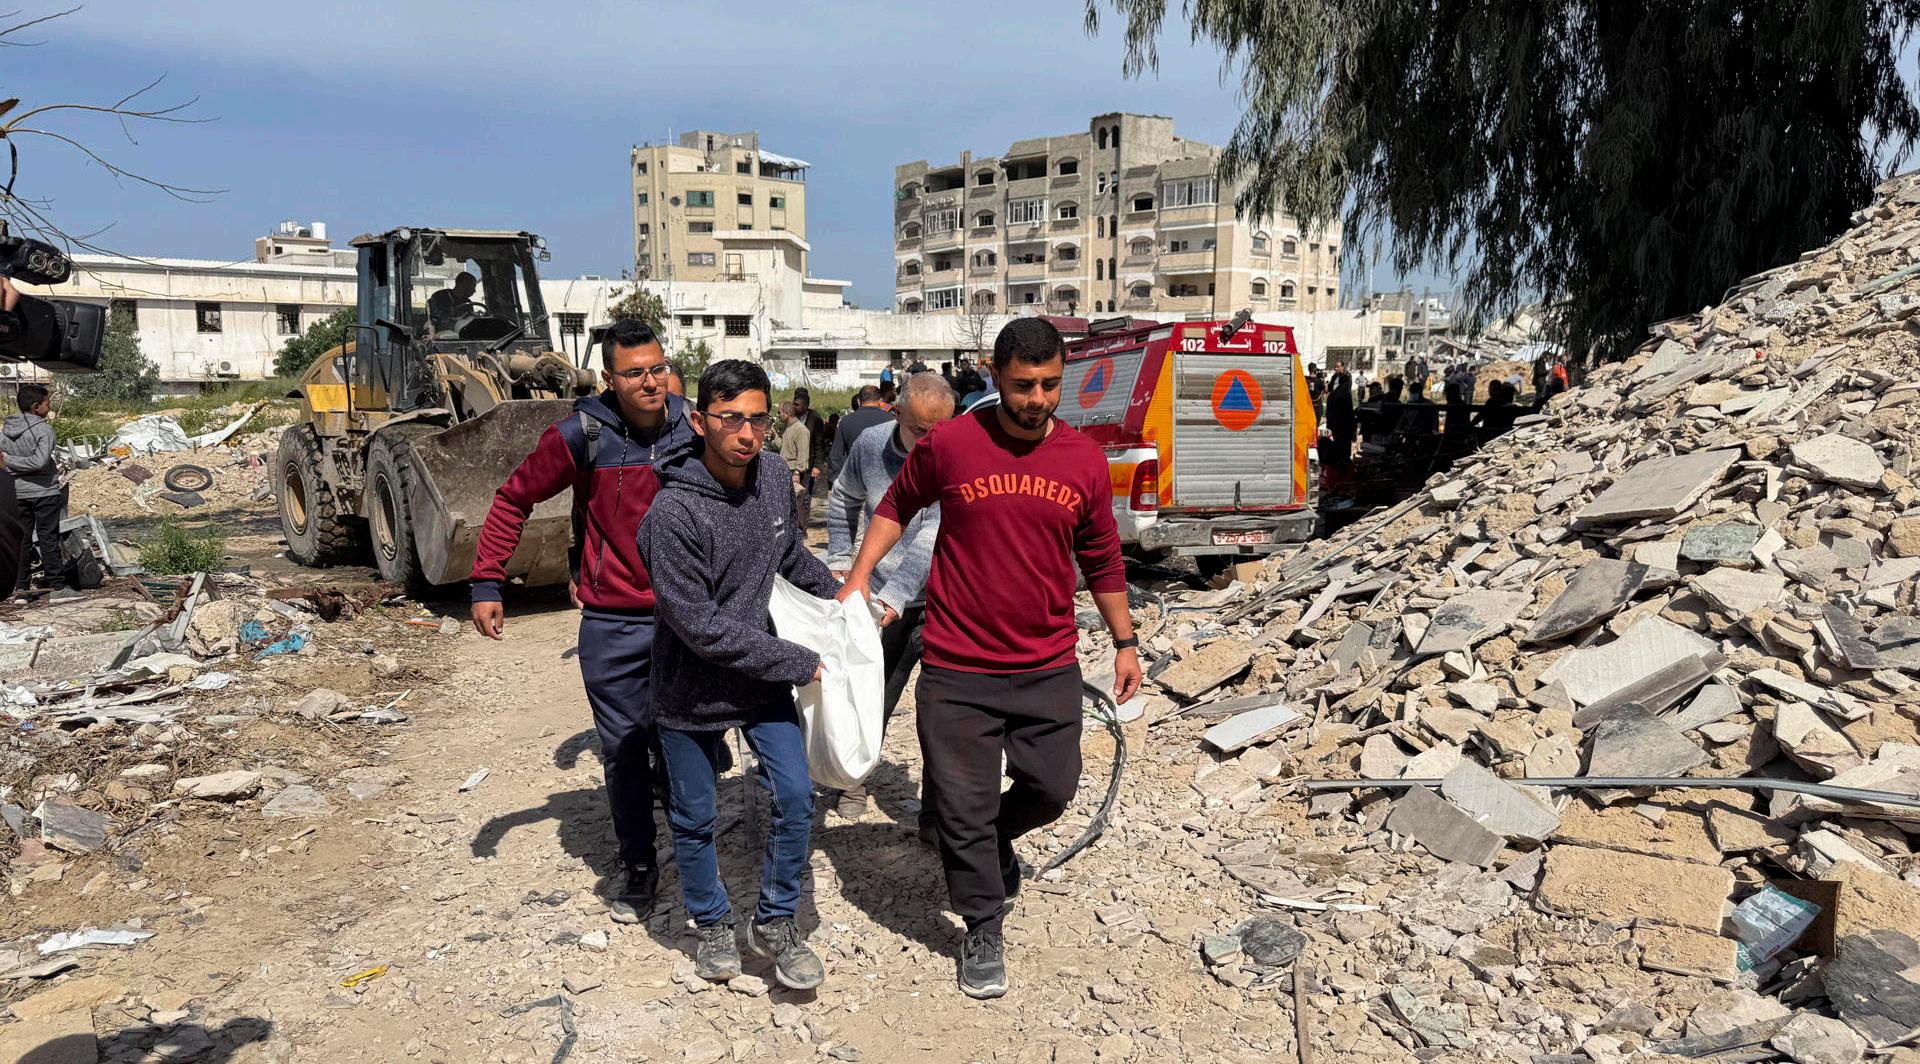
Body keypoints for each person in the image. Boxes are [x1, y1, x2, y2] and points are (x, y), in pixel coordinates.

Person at [837, 318, 1143, 1000]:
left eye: (1050, 385)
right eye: (1023, 385)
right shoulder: (951, 444)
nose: (1037, 400)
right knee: (962, 806)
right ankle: (982, 923)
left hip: (1045, 662)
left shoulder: (1083, 460)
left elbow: (1101, 558)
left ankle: (988, 838)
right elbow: (896, 503)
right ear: (995, 374)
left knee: (1054, 788)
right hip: (957, 665)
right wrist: (858, 576)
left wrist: (1125, 643)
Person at [468, 318, 691, 925]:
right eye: (634, 374)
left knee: (687, 738)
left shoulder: (693, 424)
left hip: (686, 618)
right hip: (613, 622)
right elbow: (514, 498)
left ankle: (689, 829)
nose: (651, 382)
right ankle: (639, 863)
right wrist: (487, 581)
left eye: (658, 368)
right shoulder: (580, 435)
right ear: (609, 379)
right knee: (622, 748)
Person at [636, 358, 838, 991]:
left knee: (796, 797)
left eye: (757, 418)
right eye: (730, 419)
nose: (746, 434)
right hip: (689, 689)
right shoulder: (672, 515)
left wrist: (841, 598)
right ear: (700, 422)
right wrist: (798, 661)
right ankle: (714, 925)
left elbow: (788, 554)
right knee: (694, 817)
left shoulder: (773, 476)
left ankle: (775, 921)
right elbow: (701, 628)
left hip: (756, 681)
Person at [822, 372, 955, 822]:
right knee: (871, 696)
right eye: (920, 430)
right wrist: (841, 560)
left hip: (940, 603)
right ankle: (852, 779)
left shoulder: (951, 452)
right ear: (896, 414)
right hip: (880, 603)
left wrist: (897, 594)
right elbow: (843, 498)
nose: (929, 441)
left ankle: (938, 812)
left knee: (943, 713)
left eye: (939, 430)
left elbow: (934, 533)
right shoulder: (870, 446)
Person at [4, 383, 60, 599]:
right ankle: (57, 586)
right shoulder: (44, 430)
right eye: (47, 403)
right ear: (36, 407)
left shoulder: (5, 430)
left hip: (16, 492)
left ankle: (21, 588)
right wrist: (10, 460)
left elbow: (3, 462)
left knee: (22, 540)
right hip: (44, 491)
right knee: (48, 538)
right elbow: (39, 461)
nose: (49, 407)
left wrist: (8, 461)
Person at [827, 385, 893, 485]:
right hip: (883, 483)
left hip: (854, 482)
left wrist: (834, 481)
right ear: (880, 400)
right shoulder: (891, 420)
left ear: (859, 401)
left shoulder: (846, 421)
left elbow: (835, 455)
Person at [777, 402, 811, 530]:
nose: (778, 415)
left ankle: (801, 531)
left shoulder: (800, 430)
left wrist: (797, 473)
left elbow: (803, 454)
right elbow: (785, 449)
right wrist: (774, 437)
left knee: (798, 504)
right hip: (787, 471)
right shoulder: (788, 428)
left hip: (795, 473)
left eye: (779, 412)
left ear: (787, 413)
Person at [791, 387, 828, 502]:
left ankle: (803, 513)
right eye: (794, 403)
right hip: (792, 464)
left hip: (808, 465)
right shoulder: (791, 418)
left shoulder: (815, 419)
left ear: (805, 405)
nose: (794, 407)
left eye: (797, 404)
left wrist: (817, 465)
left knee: (805, 497)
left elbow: (819, 444)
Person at [1324, 363, 1355, 471]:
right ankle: (1344, 471)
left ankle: (1337, 467)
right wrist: (1353, 428)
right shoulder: (1346, 395)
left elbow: (1328, 411)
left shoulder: (1332, 395)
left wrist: (1329, 423)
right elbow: (1349, 413)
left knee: (1337, 444)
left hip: (1335, 425)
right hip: (1344, 426)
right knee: (1345, 449)